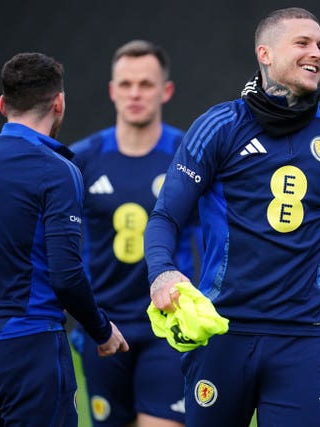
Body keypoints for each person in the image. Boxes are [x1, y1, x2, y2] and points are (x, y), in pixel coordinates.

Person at [144, 7, 320, 427]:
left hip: (305, 337)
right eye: (303, 43)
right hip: (223, 333)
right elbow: (165, 216)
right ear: (265, 54)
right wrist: (162, 272)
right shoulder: (219, 126)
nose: (317, 53)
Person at [0, 52, 128, 427]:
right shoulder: (57, 170)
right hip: (28, 349)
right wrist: (102, 329)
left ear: (3, 104)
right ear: (59, 103)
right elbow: (66, 276)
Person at [69, 40, 198, 427]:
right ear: (112, 90)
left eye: (145, 84)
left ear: (166, 91)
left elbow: (216, 235)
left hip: (169, 325)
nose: (135, 93)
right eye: (126, 84)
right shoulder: (81, 160)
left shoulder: (189, 154)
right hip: (104, 327)